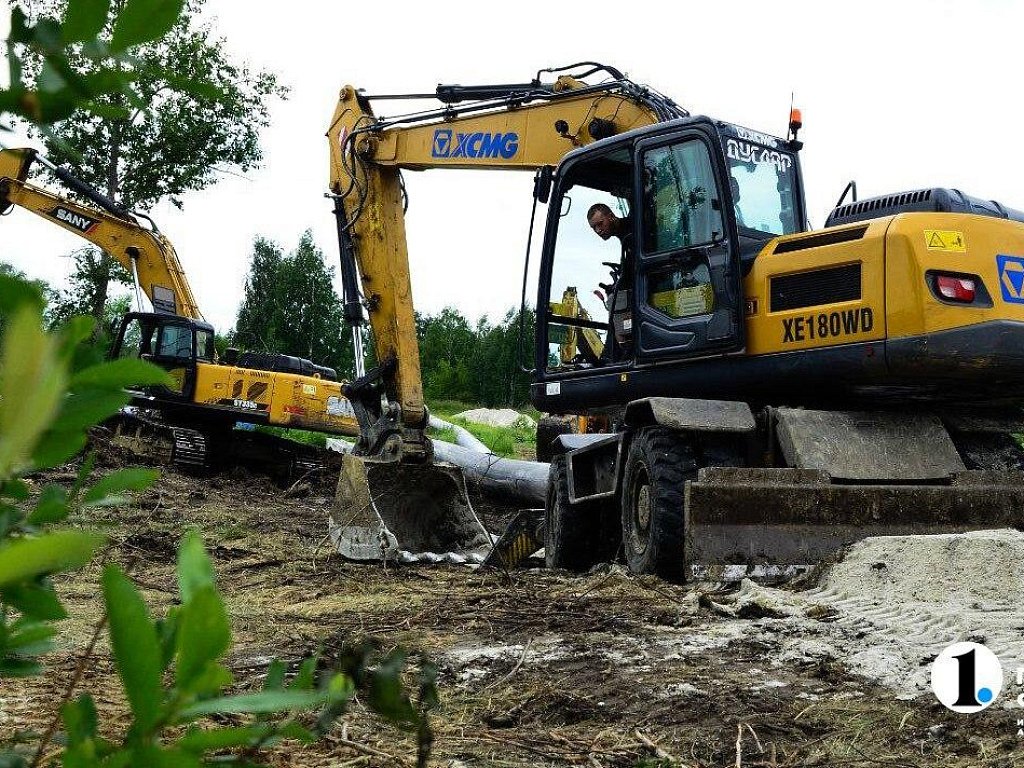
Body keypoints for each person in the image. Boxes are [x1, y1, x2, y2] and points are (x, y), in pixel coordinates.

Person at [587, 202, 634, 358]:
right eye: (594, 228)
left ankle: (612, 358)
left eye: (600, 224)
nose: (598, 230)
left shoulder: (633, 230)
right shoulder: (624, 236)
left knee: (618, 304)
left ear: (611, 216)